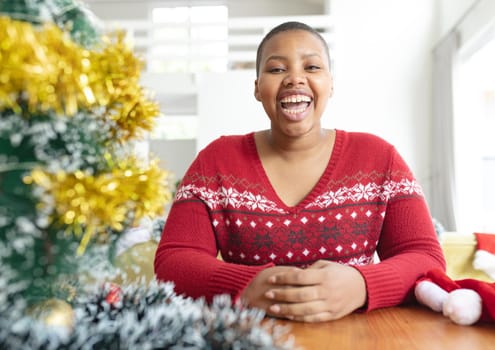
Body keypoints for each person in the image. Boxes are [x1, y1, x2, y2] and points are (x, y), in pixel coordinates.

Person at [154, 21, 446, 323]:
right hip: (251, 338)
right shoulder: (214, 162)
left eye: (312, 67)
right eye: (277, 69)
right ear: (257, 87)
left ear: (331, 84)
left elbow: (426, 257)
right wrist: (245, 285)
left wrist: (361, 284)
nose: (295, 78)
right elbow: (173, 261)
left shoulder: (379, 157)